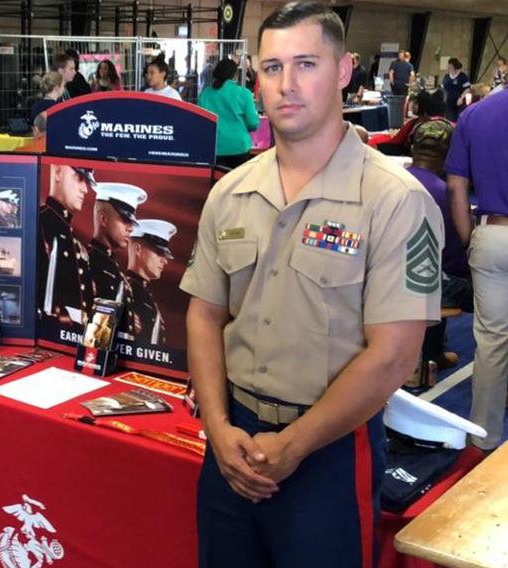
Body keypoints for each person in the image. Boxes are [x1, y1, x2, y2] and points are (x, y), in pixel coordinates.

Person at [181, 3, 443, 567]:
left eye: (307, 63)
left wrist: (292, 446)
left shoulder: (394, 200)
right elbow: (204, 313)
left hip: (328, 453)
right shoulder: (232, 191)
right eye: (272, 68)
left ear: (346, 69)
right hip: (230, 445)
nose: (287, 84)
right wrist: (218, 426)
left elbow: (395, 355)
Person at [446, 87, 508, 451]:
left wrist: (470, 237)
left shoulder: (475, 114)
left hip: (492, 232)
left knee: (491, 341)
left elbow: (456, 187)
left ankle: (482, 439)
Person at [408, 120, 469, 371]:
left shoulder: (388, 181)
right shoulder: (446, 193)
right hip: (429, 281)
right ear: (448, 154)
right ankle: (432, 353)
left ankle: (429, 349)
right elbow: (455, 254)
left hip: (385, 275)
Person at [38, 165, 95, 326]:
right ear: (58, 173)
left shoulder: (75, 241)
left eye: (87, 182)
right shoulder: (40, 223)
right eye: (79, 178)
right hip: (49, 329)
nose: (85, 189)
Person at [87, 183, 147, 301]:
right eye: (125, 220)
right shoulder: (87, 262)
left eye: (131, 222)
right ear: (103, 219)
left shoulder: (117, 271)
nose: (131, 228)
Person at [198, 58, 260, 169]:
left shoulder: (205, 94)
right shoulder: (244, 93)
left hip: (214, 148)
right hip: (239, 147)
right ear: (234, 74)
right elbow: (253, 123)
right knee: (239, 184)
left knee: (218, 184)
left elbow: (201, 124)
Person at [125, 219, 175, 346]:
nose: (165, 261)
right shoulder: (126, 290)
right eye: (159, 252)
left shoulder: (144, 294)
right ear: (137, 249)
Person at [383, 88, 448, 155]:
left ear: (425, 105)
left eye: (416, 103)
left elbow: (396, 143)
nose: (412, 105)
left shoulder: (414, 125)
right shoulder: (448, 125)